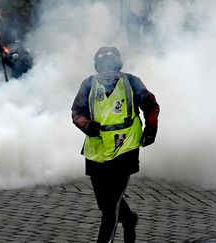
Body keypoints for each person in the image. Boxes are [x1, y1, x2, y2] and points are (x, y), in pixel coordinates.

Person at [71, 46, 159, 242]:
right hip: (96, 152)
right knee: (104, 203)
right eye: (103, 65)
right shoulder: (88, 84)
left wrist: (150, 130)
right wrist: (86, 124)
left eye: (111, 64)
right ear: (97, 66)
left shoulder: (131, 82)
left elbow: (151, 106)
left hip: (125, 147)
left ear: (119, 64)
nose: (108, 69)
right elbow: (77, 112)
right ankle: (129, 219)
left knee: (110, 208)